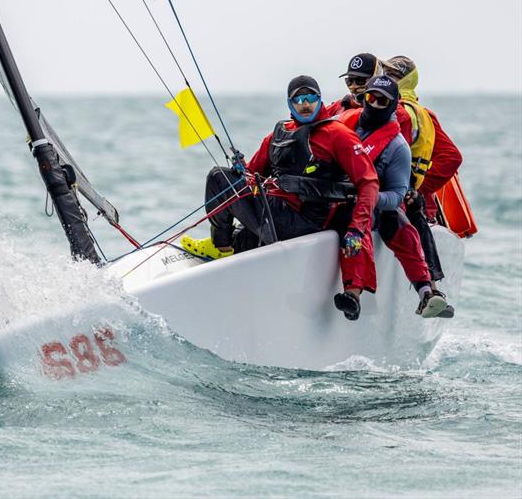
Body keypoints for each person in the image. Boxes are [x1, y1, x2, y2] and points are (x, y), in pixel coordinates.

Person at [182, 76, 380, 321]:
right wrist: (240, 169)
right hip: (275, 216)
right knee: (225, 178)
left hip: (302, 222)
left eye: (311, 98)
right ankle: (229, 247)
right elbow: (253, 175)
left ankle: (221, 247)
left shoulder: (337, 134)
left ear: (320, 101)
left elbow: (369, 182)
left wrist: (357, 229)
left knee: (218, 178)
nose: (305, 104)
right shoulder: (278, 134)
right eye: (298, 99)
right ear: (289, 103)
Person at [339, 76, 452, 317]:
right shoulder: (344, 123)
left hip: (374, 207)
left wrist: (371, 199)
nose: (375, 104)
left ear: (393, 104)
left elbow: (397, 194)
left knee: (400, 227)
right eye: (371, 98)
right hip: (334, 199)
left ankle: (425, 291)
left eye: (383, 101)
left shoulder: (398, 146)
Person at [385, 56, 463, 221]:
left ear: (406, 81)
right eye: (384, 73)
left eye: (392, 75)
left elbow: (451, 157)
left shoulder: (417, 114)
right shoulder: (378, 107)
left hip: (413, 208)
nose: (385, 78)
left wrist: (417, 190)